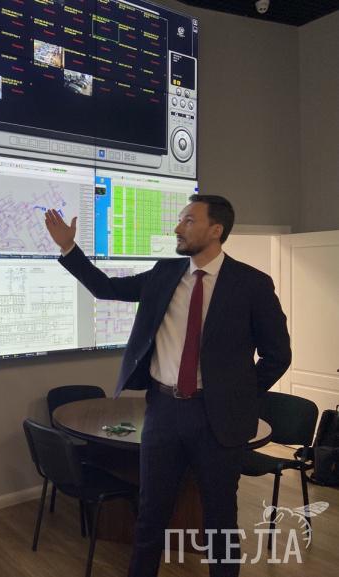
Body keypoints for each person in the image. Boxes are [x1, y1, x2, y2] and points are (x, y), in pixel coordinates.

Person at [44, 195, 291, 577]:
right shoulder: (164, 274)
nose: (178, 228)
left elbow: (278, 355)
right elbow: (106, 287)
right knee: (150, 516)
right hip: (163, 412)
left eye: (188, 220)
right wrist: (68, 248)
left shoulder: (252, 285)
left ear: (216, 230)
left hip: (218, 419)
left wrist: (237, 395)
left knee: (220, 521)